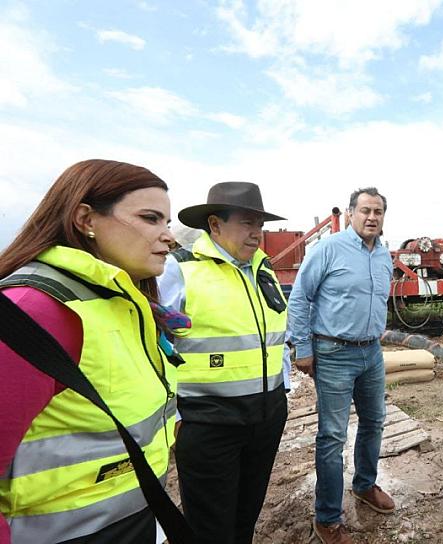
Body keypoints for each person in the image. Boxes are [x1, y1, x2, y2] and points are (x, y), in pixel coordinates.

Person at [0, 159, 178, 544]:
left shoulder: (122, 301)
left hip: (132, 517)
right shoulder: (34, 310)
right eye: (151, 219)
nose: (169, 236)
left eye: (167, 222)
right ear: (86, 219)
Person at [157, 181, 290, 544]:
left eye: (260, 225)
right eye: (248, 223)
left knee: (245, 517)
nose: (257, 233)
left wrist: (284, 389)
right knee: (210, 528)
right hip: (208, 423)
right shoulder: (178, 270)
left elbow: (274, 334)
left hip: (266, 417)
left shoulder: (263, 268)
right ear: (215, 225)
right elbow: (154, 344)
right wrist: (176, 418)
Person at [288, 187, 395, 544]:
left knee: (374, 421)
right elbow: (300, 297)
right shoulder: (329, 249)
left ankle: (364, 485)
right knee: (332, 436)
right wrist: (303, 347)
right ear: (351, 213)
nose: (371, 217)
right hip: (333, 353)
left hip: (371, 353)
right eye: (365, 210)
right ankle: (328, 518)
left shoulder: (383, 255)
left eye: (378, 211)